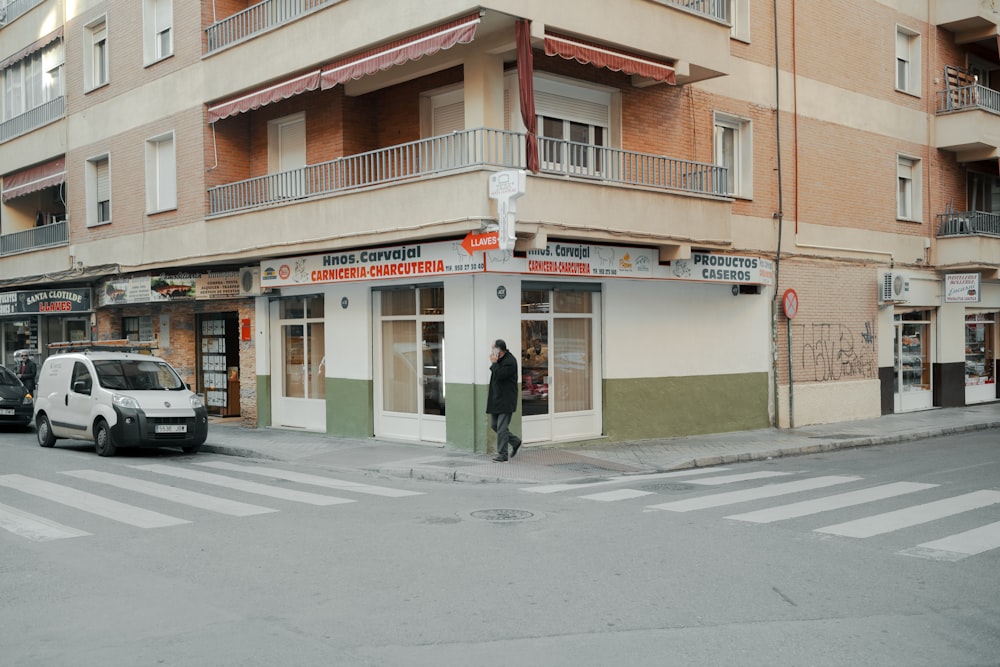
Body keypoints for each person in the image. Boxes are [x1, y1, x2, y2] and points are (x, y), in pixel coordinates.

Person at [487, 339, 522, 462]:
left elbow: (500, 375)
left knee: (502, 428)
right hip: (496, 399)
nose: (492, 350)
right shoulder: (500, 359)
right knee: (494, 425)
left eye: (493, 348)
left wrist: (494, 363)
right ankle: (515, 441)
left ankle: (502, 454)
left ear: (499, 349)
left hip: (506, 399)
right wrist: (495, 362)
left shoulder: (510, 361)